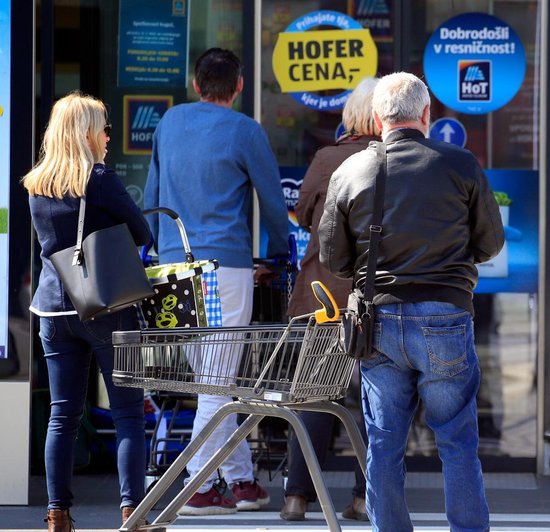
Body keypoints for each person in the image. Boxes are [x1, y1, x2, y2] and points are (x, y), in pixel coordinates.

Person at [319, 72, 504, 532]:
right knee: (457, 440)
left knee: (383, 445)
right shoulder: (460, 165)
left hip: (376, 323)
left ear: (378, 118)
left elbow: (333, 259)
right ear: (426, 115)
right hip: (444, 316)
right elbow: (491, 244)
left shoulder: (351, 170)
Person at [144, 48, 289, 516]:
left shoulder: (168, 124)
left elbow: (151, 193)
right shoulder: (245, 130)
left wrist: (150, 249)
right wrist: (282, 252)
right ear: (241, 85)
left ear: (195, 83)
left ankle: (242, 483)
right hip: (222, 267)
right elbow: (271, 200)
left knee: (215, 381)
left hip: (171, 268)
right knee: (217, 382)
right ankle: (199, 488)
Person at [24, 92, 151, 531]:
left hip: (53, 311)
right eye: (104, 128)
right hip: (105, 306)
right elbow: (141, 231)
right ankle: (132, 511)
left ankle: (58, 513)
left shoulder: (37, 184)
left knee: (63, 415)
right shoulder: (99, 178)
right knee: (129, 413)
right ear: (87, 133)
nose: (107, 136)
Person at [279, 77, 379, 522]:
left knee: (313, 397)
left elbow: (302, 216)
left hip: (322, 296)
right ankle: (363, 497)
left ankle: (296, 497)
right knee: (376, 401)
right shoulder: (394, 160)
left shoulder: (327, 158)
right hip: (376, 298)